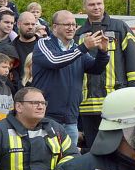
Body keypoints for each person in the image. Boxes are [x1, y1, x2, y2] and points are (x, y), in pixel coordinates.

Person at [75, 0, 135, 149]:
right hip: (87, 104)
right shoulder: (79, 34)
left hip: (115, 101)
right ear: (84, 7)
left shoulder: (119, 27)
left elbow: (133, 61)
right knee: (94, 150)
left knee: (116, 148)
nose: (96, 7)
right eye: (92, 4)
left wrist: (134, 92)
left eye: (99, 3)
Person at [33, 10, 110, 141]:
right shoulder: (43, 43)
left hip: (71, 119)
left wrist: (103, 52)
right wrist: (83, 47)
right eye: (67, 24)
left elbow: (96, 69)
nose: (71, 28)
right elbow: (55, 61)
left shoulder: (75, 48)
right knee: (46, 158)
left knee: (71, 160)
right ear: (55, 27)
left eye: (74, 25)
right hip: (47, 116)